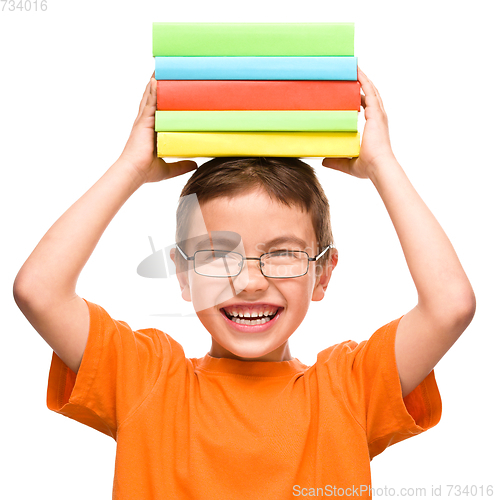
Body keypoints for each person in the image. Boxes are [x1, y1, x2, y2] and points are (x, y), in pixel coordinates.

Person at [13, 68, 475, 499]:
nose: (250, 282)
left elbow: (450, 305)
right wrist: (130, 167)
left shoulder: (349, 391)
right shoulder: (146, 380)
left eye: (283, 252)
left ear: (323, 272)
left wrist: (383, 165)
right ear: (182, 273)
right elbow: (39, 291)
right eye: (217, 256)